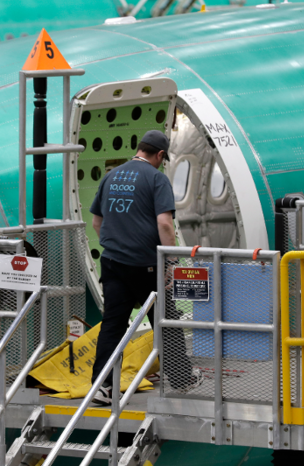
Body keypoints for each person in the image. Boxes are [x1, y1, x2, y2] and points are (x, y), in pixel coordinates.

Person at [89, 130, 201, 406]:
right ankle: (182, 378)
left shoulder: (111, 176)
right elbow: (164, 224)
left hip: (113, 263)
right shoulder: (156, 178)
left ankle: (103, 388)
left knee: (113, 326)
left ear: (139, 149)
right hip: (145, 266)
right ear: (160, 155)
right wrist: (171, 263)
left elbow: (96, 222)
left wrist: (116, 245)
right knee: (166, 322)